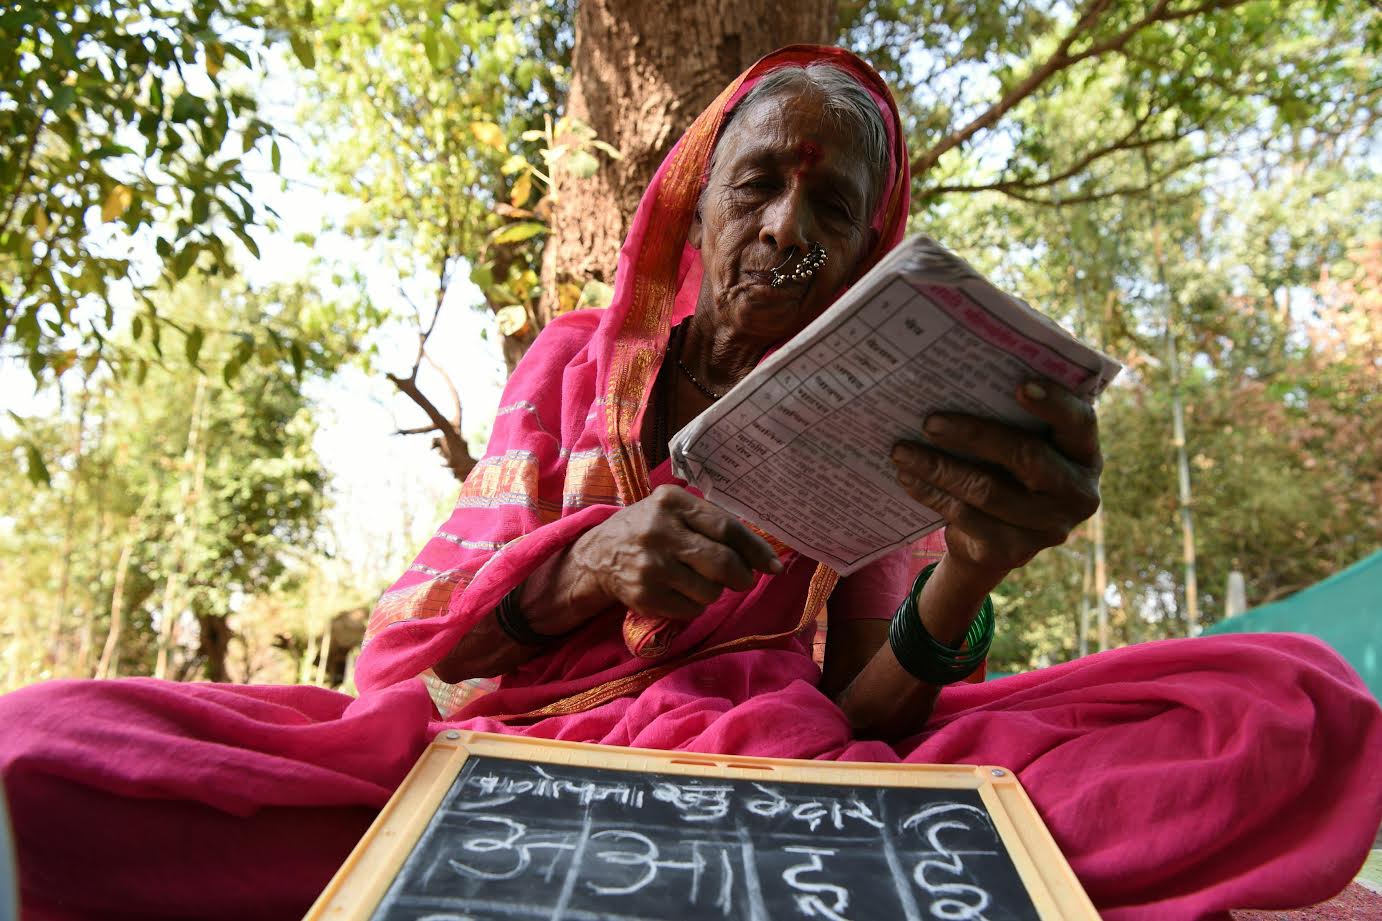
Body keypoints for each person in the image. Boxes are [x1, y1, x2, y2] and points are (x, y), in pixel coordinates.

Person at [0, 45, 1378, 921]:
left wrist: (970, 566)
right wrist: (583, 567)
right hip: (491, 770)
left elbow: (872, 716)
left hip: (783, 781)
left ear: (864, 248)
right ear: (694, 205)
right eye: (761, 182)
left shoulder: (898, 419)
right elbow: (400, 667)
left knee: (1282, 703)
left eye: (831, 204)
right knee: (51, 742)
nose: (789, 223)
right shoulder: (568, 367)